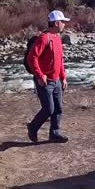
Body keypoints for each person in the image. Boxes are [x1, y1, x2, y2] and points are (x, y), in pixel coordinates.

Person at [26, 10, 70, 143]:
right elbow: (31, 57)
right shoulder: (44, 38)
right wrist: (40, 75)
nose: (64, 25)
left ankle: (54, 133)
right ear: (56, 23)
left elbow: (60, 60)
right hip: (44, 81)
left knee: (58, 108)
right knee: (48, 109)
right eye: (63, 22)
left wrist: (63, 77)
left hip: (56, 80)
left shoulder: (57, 38)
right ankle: (33, 127)